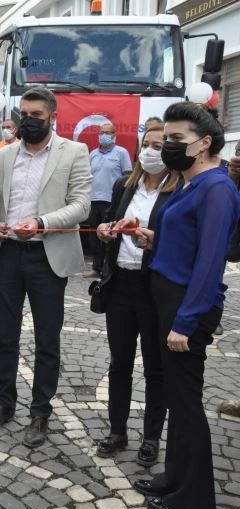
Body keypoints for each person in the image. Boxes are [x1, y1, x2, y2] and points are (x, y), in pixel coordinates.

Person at [131, 102, 240, 509]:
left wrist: (186, 321)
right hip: (168, 296)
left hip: (186, 306)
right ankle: (173, 477)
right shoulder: (192, 183)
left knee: (187, 403)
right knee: (177, 398)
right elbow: (189, 242)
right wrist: (154, 240)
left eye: (177, 140)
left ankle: (193, 500)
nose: (168, 147)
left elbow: (211, 261)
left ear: (205, 142)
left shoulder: (217, 188)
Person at [0, 87, 92, 448]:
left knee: (47, 339)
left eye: (36, 116)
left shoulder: (73, 152)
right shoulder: (2, 155)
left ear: (52, 118)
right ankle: (4, 402)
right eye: (24, 115)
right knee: (5, 336)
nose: (28, 122)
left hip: (47, 255)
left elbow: (81, 205)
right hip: (8, 254)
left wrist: (42, 221)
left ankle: (40, 411)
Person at [92, 124, 179, 466]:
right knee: (119, 363)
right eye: (147, 144)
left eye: (160, 145)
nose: (152, 151)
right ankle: (117, 430)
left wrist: (153, 239)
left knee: (155, 368)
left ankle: (152, 437)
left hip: (154, 288)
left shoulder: (179, 190)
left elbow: (182, 240)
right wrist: (105, 231)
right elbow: (113, 222)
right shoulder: (124, 185)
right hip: (121, 287)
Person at [85, 122, 132, 278]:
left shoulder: (121, 153)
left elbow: (127, 176)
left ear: (114, 135)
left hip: (112, 201)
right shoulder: (93, 154)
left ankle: (108, 268)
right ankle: (96, 267)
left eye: (108, 132)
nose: (104, 135)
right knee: (94, 235)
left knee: (110, 236)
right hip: (94, 200)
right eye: (101, 132)